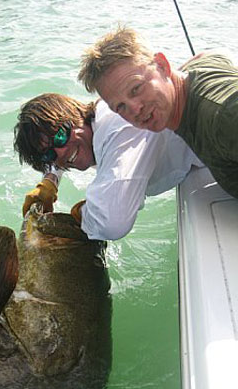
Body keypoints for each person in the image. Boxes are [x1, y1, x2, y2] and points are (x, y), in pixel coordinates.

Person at [14, 93, 202, 241]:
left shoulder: (115, 131)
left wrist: (76, 217)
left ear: (76, 114)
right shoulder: (99, 115)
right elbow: (60, 149)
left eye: (60, 136)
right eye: (49, 154)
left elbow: (112, 223)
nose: (61, 153)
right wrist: (49, 182)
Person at [78, 26, 238, 199]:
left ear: (162, 65)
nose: (135, 109)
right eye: (120, 106)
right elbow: (217, 53)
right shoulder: (199, 71)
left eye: (136, 88)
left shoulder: (222, 118)